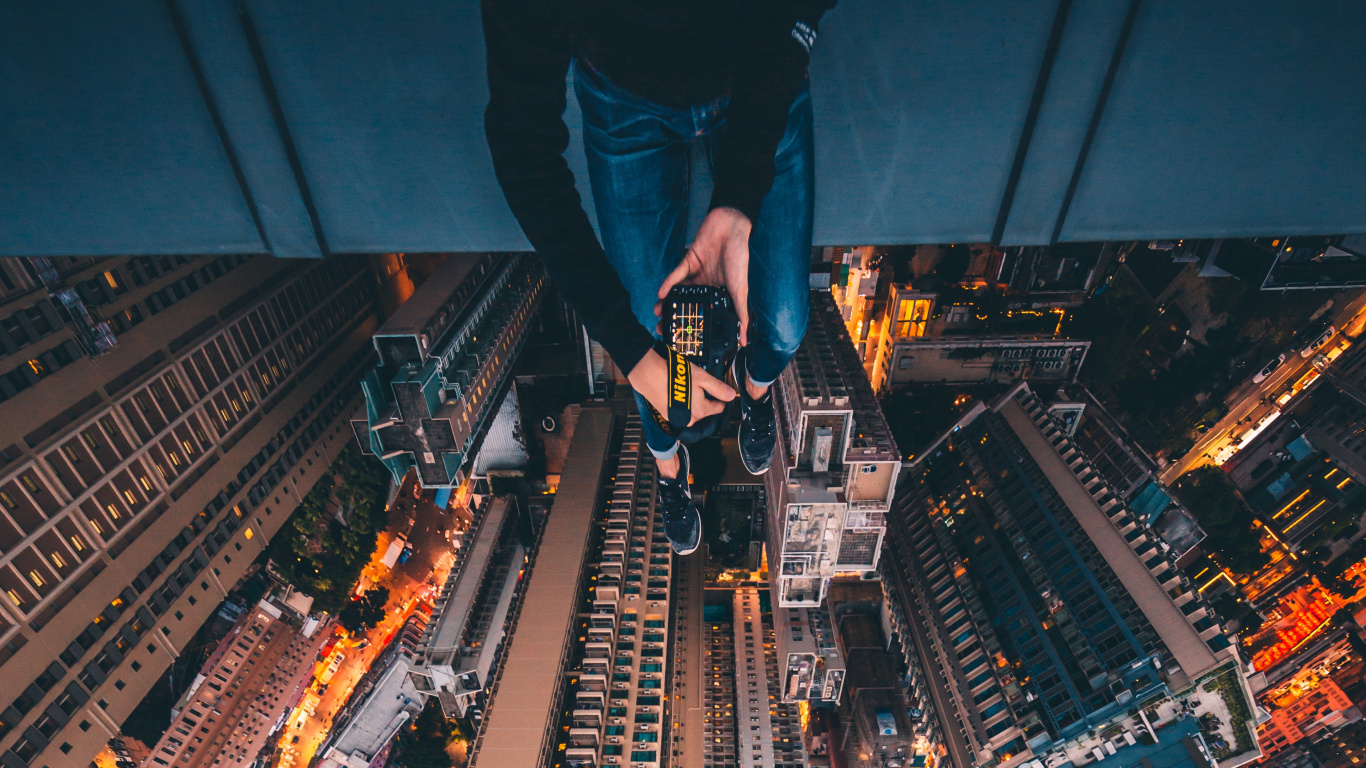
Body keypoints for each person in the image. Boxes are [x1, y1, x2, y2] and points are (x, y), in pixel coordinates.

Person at [482, 0, 834, 555]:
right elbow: (520, 142)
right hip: (623, 97)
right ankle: (670, 475)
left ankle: (755, 391)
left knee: (785, 327)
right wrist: (630, 353)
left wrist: (742, 190)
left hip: (759, 71)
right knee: (655, 367)